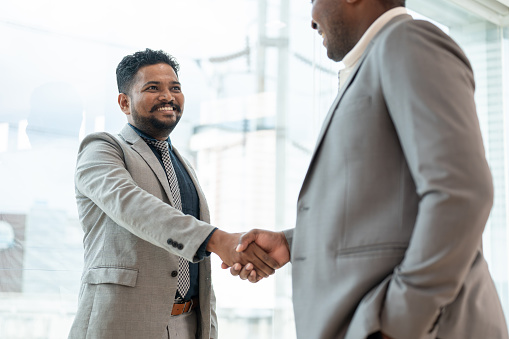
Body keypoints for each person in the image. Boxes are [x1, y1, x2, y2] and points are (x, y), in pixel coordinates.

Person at [228, 0, 509, 338]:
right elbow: (386, 207)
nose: (312, 18)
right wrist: (294, 242)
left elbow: (461, 193)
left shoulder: (408, 41)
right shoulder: (377, 59)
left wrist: (395, 323)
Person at [68, 48, 278, 339]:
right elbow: (134, 206)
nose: (168, 96)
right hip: (123, 323)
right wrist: (218, 240)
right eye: (153, 88)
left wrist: (240, 252)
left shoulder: (181, 162)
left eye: (175, 88)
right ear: (124, 102)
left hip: (189, 322)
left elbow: (192, 252)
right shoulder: (102, 149)